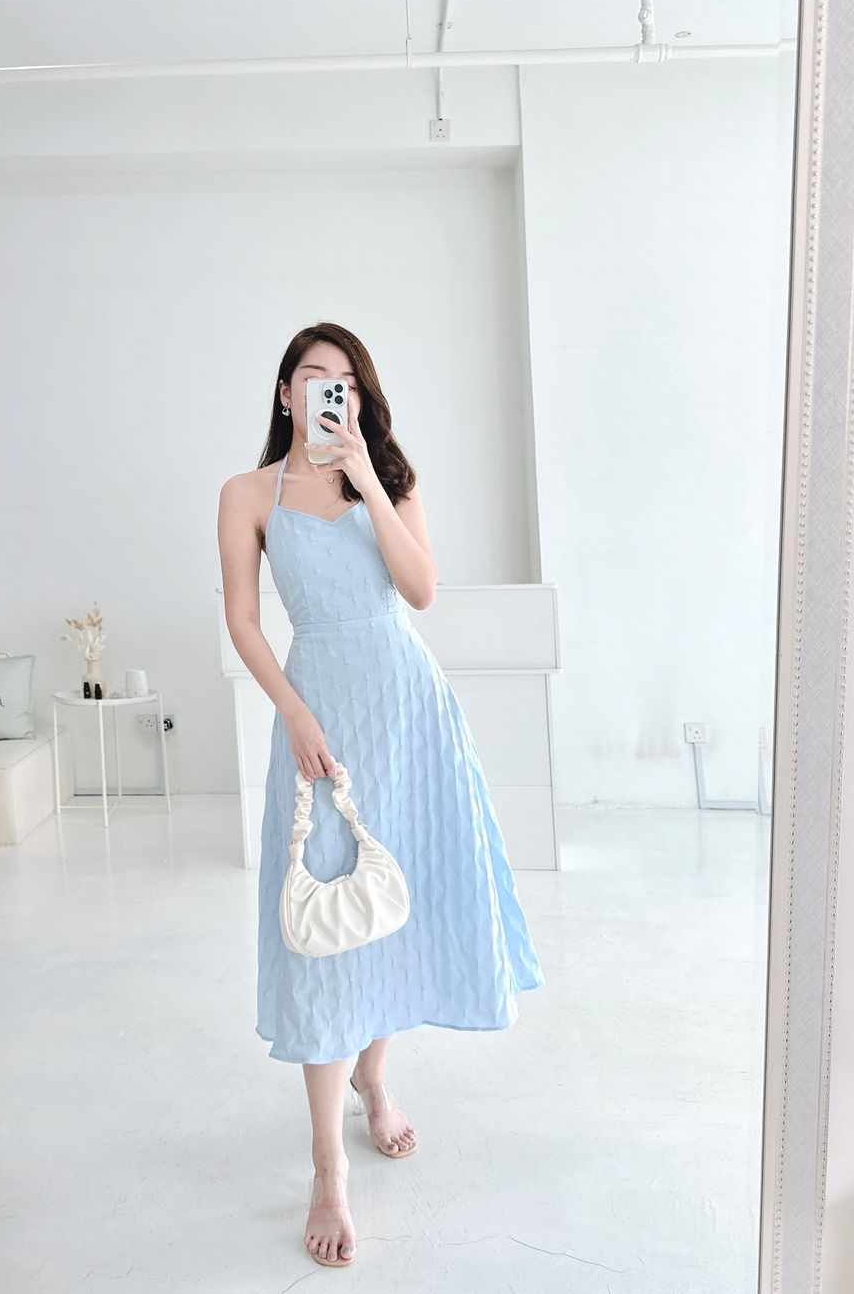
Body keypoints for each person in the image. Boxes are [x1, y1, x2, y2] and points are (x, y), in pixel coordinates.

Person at [217, 322, 544, 1268]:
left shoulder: (389, 478)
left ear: (359, 399)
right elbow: (243, 619)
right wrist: (293, 713)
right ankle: (328, 1167)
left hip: (408, 715)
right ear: (285, 392)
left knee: (390, 905)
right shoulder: (248, 494)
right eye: (314, 377)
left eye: (347, 382)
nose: (332, 392)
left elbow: (422, 590)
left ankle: (376, 1080)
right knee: (324, 926)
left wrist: (363, 472)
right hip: (319, 720)